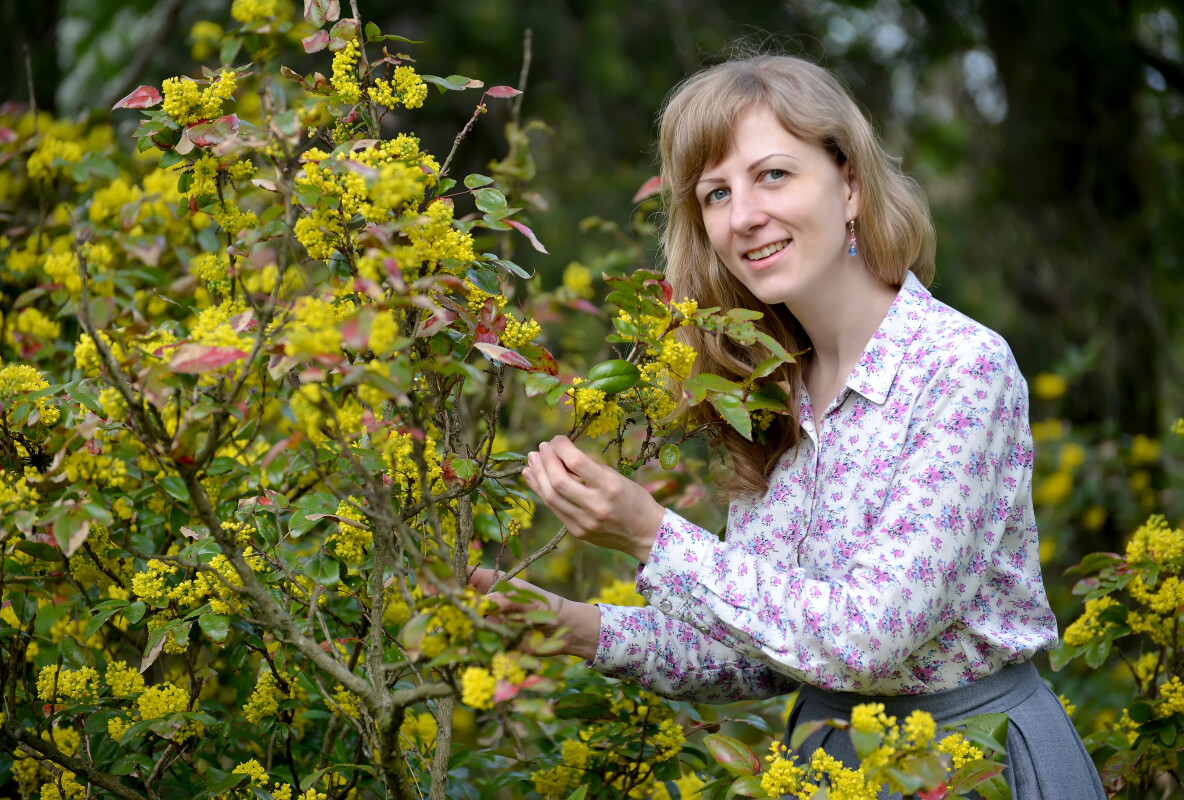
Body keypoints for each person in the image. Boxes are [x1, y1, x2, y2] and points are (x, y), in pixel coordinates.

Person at [469, 54, 1104, 798]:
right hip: (826, 765)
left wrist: (652, 536)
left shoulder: (959, 370)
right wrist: (571, 625)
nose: (743, 216)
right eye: (715, 194)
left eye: (773, 175)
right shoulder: (769, 390)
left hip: (972, 766)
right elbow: (768, 650)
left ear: (852, 186)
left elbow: (863, 641)